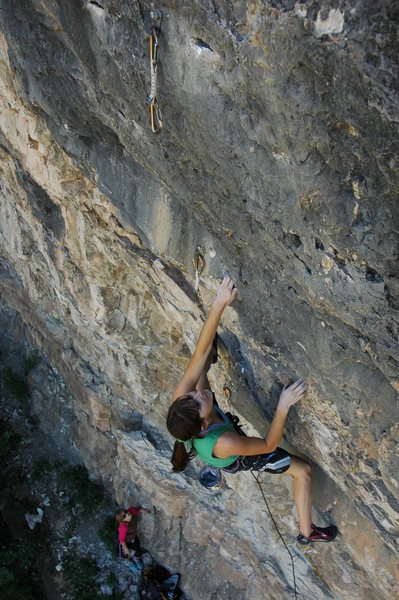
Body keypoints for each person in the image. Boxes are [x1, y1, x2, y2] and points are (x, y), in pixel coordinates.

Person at [166, 275, 337, 544]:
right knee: (302, 471)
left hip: (211, 425)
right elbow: (268, 444)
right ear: (203, 425)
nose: (196, 395)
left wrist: (219, 304)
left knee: (200, 365)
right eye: (197, 401)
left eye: (191, 396)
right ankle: (307, 532)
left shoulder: (183, 401)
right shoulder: (224, 442)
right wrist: (283, 405)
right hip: (238, 457)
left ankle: (211, 367)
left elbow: (198, 354)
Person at [115, 505, 151, 569]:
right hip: (125, 541)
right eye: (124, 515)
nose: (127, 513)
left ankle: (136, 560)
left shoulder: (131, 511)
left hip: (132, 537)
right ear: (123, 520)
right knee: (126, 554)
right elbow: (122, 540)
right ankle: (129, 562)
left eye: (125, 511)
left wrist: (143, 510)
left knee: (137, 550)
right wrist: (126, 549)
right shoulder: (123, 527)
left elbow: (136, 509)